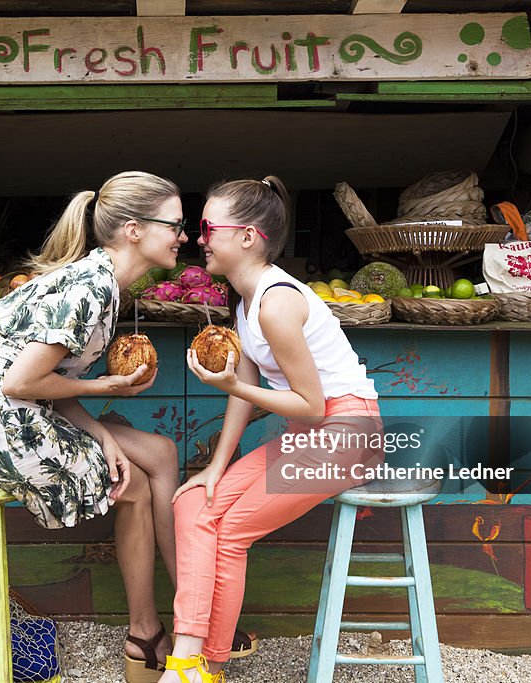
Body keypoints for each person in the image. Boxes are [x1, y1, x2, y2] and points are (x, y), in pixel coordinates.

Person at [0, 171, 187, 682]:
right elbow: (21, 383)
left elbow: (51, 382)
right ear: (133, 229)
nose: (183, 236)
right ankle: (147, 633)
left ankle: (186, 611)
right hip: (4, 430)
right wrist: (106, 390)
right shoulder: (91, 289)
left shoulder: (101, 282)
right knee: (138, 486)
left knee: (161, 452)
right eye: (175, 224)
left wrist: (101, 433)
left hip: (11, 417)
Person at [159, 176, 384, 683]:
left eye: (207, 227)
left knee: (231, 532)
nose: (199, 238)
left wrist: (232, 388)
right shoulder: (245, 301)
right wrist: (216, 468)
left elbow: (308, 405)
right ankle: (188, 657)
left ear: (247, 236)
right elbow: (247, 378)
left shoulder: (277, 304)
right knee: (192, 502)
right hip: (314, 436)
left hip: (346, 434)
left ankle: (204, 665)